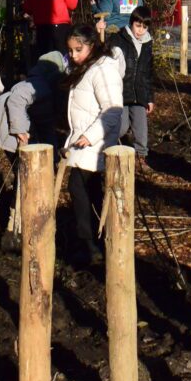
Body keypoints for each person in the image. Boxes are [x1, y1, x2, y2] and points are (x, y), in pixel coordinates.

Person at [0, 50, 67, 212]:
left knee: (25, 169)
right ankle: (19, 211)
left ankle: (23, 207)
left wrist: (53, 155)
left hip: (15, 126)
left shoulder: (47, 90)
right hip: (6, 126)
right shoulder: (37, 85)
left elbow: (46, 125)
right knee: (25, 170)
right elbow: (16, 98)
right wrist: (20, 130)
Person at [61, 24, 125, 264]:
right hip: (81, 142)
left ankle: (89, 242)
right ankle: (94, 240)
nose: (74, 55)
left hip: (93, 144)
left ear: (92, 45)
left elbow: (112, 110)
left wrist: (91, 135)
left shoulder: (103, 70)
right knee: (88, 191)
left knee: (80, 189)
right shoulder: (88, 68)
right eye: (70, 51)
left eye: (78, 50)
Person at [106, 5, 156, 163]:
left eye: (144, 27)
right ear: (131, 23)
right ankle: (111, 148)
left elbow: (148, 73)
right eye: (138, 25)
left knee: (141, 128)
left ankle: (141, 156)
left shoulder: (147, 44)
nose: (140, 30)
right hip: (121, 91)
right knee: (121, 127)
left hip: (139, 92)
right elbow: (105, 57)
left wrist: (150, 98)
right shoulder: (119, 39)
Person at [27, 0, 78, 64]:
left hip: (41, 27)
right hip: (60, 27)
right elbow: (73, 5)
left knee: (44, 59)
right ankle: (62, 79)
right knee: (62, 59)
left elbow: (28, 7)